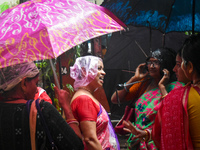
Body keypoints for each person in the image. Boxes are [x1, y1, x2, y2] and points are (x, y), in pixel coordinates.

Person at [111, 47, 184, 149]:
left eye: (157, 63)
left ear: (166, 65)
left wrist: (162, 86)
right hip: (137, 140)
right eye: (149, 62)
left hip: (158, 141)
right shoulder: (144, 83)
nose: (151, 66)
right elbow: (115, 99)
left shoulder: (177, 88)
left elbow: (172, 115)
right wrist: (135, 78)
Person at [0, 62, 84, 150]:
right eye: (36, 84)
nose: (37, 90)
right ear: (24, 83)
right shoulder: (42, 110)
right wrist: (67, 108)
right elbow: (76, 146)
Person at [152, 34, 200, 150]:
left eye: (180, 63)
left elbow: (157, 135)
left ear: (190, 66)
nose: (175, 69)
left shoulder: (178, 97)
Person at [70, 55, 120, 150]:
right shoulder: (84, 99)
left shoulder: (87, 96)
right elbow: (90, 140)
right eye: (99, 68)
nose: (104, 73)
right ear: (85, 72)